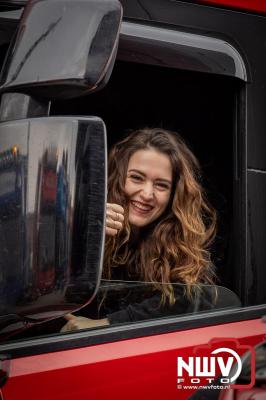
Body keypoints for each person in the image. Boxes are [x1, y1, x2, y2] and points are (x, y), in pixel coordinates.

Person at [61, 128, 216, 332]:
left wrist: (107, 324)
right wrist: (84, 233)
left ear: (173, 195)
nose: (147, 193)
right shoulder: (83, 222)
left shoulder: (180, 246)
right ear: (117, 178)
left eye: (161, 185)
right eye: (136, 178)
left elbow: (194, 297)